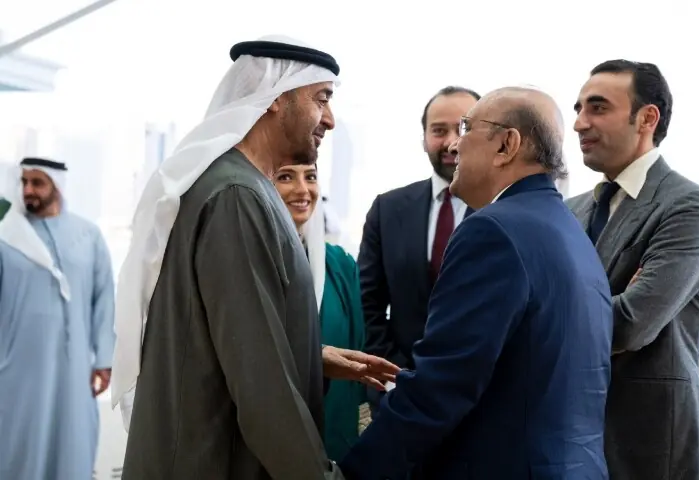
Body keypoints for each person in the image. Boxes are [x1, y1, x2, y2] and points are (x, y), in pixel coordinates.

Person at [111, 36, 399, 479]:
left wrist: (312, 355)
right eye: (321, 99)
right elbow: (260, 380)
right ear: (276, 98)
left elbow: (226, 334)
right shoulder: (235, 196)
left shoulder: (246, 187)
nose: (329, 119)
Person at [340, 87, 613, 480]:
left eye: (466, 128)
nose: (455, 143)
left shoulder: (492, 230)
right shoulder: (570, 230)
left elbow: (445, 383)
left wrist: (354, 472)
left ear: (506, 145)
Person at [567, 59, 699, 479]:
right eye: (578, 108)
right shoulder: (569, 210)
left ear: (647, 118)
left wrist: (552, 312)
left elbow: (630, 325)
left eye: (598, 108)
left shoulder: (688, 206)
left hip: (649, 442)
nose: (579, 123)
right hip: (569, 434)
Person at [358, 86, 479, 409]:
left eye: (463, 128)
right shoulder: (388, 209)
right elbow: (367, 302)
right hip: (399, 391)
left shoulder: (508, 211)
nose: (451, 141)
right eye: (438, 130)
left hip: (483, 396)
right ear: (424, 138)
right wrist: (394, 375)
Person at [0, 157, 116, 480]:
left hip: (74, 368)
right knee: (19, 445)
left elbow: (104, 298)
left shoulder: (88, 236)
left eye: (37, 183)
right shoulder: (7, 237)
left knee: (72, 443)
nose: (28, 190)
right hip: (17, 369)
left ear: (57, 186)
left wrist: (104, 359)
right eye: (24, 182)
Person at [272, 162, 366, 462]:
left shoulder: (341, 265)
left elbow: (359, 350)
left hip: (334, 438)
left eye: (310, 177)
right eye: (286, 177)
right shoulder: (246, 264)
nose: (303, 189)